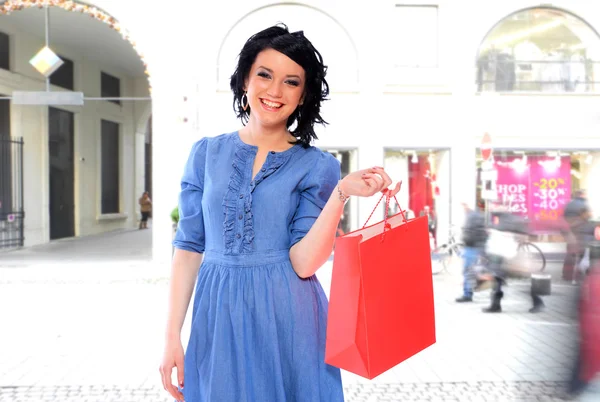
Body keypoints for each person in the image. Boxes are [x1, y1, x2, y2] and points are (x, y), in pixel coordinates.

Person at [159, 24, 400, 402]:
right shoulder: (204, 154)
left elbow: (304, 264)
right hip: (217, 315)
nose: (274, 91)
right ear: (244, 81)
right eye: (264, 75)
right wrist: (172, 335)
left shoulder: (317, 166)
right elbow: (189, 247)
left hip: (289, 316)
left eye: (291, 82)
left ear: (303, 97)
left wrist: (340, 194)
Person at [456, 202, 487, 302]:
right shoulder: (472, 216)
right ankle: (468, 292)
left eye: (464, 205)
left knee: (468, 271)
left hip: (472, 247)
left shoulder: (474, 217)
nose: (463, 207)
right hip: (470, 247)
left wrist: (480, 250)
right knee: (468, 271)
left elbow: (478, 234)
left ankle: (467, 294)